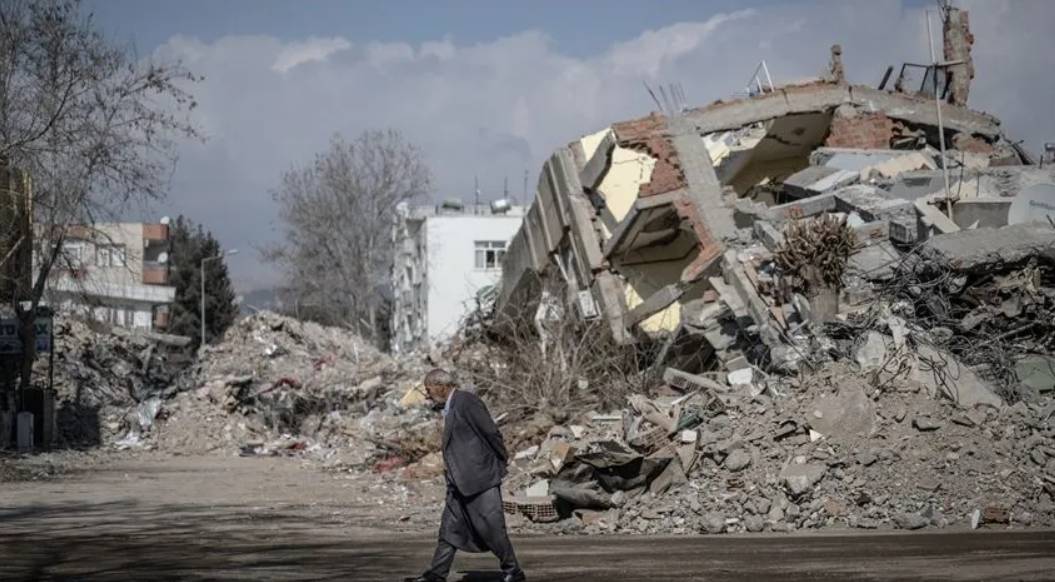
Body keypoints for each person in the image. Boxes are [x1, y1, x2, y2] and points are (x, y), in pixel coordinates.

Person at [405, 368, 526, 582]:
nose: (427, 393)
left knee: (492, 527)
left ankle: (513, 572)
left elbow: (490, 432)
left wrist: (500, 461)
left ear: (441, 385)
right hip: (459, 482)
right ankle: (436, 574)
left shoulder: (467, 401)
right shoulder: (451, 406)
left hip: (480, 479)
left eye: (429, 388)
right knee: (449, 530)